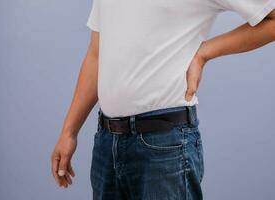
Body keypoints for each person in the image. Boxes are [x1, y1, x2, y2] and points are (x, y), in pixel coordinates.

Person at [51, 0, 275, 199]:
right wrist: (69, 132)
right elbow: (96, 53)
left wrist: (204, 53)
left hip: (164, 143)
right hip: (107, 143)